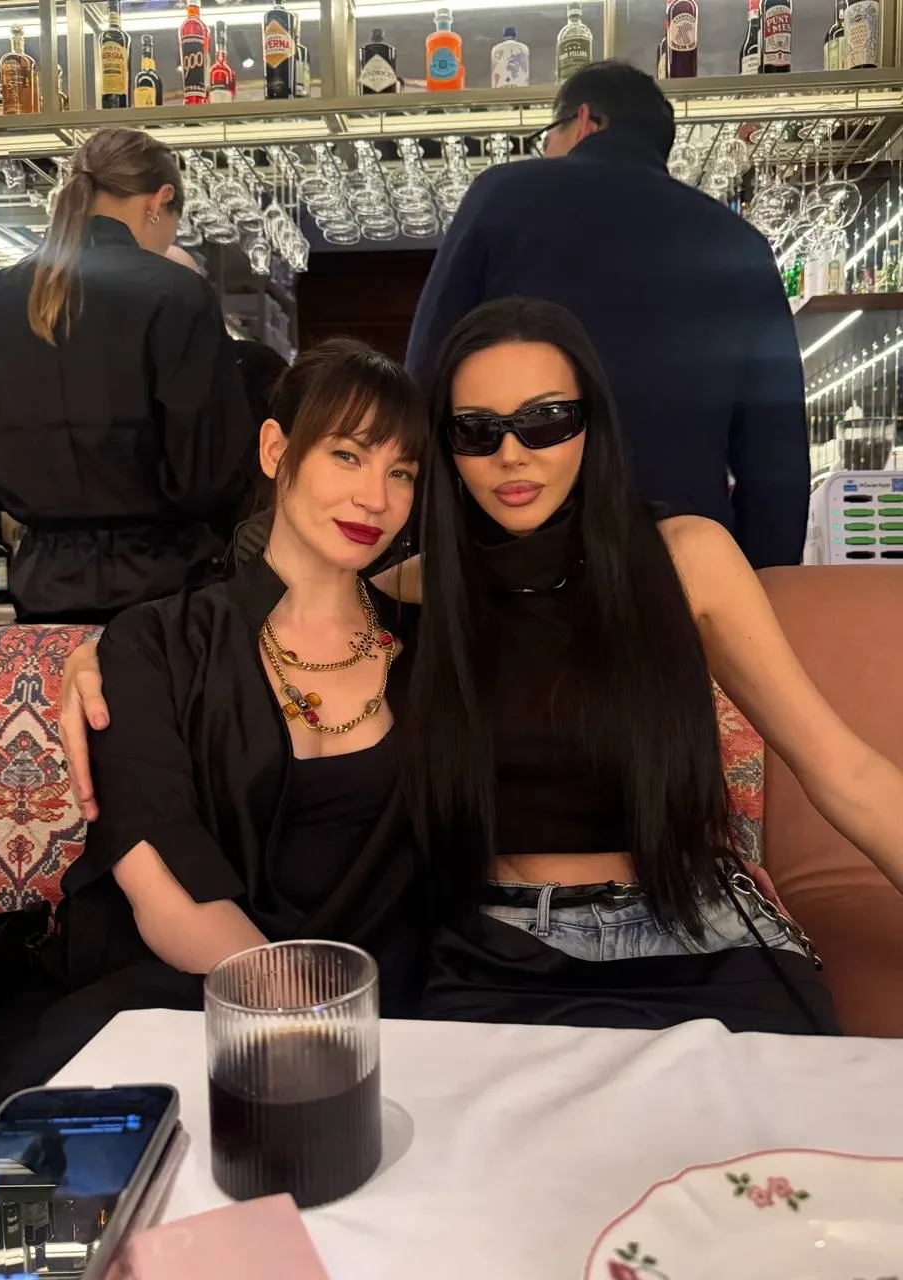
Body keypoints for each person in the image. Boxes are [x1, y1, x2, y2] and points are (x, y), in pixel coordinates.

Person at [62, 304, 903, 1038]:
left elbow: (847, 772)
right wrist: (106, 653)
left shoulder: (685, 558)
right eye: (475, 431)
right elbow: (292, 602)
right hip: (508, 950)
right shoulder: (425, 590)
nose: (512, 454)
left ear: (591, 425)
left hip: (701, 930)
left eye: (546, 421)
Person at [56, 337, 428, 1017]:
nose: (375, 498)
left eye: (401, 471)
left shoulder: (430, 645)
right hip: (199, 998)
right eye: (347, 455)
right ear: (276, 450)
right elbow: (166, 889)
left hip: (398, 1005)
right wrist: (313, 1020)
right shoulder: (155, 645)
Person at [405, 62, 810, 571]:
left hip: (517, 562)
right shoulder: (741, 245)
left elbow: (424, 377)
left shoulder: (505, 196)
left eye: (548, 136)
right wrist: (761, 585)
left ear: (582, 121)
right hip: (679, 567)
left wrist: (423, 547)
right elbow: (777, 459)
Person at [0, 127, 254, 623]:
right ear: (160, 200)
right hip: (165, 591)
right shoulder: (178, 295)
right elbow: (208, 472)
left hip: (42, 588)